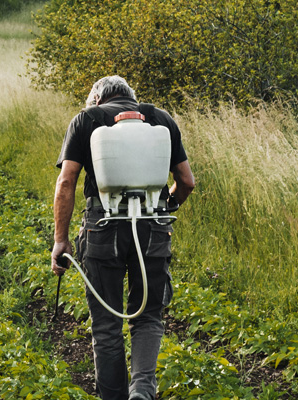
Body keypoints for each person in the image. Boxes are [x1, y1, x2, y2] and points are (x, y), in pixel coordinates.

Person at [50, 76, 196, 400]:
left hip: (102, 228)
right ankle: (142, 392)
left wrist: (61, 240)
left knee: (107, 325)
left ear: (98, 97)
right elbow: (186, 182)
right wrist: (162, 208)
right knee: (147, 317)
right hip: (152, 229)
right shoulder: (161, 120)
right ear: (131, 96)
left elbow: (66, 182)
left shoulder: (85, 120)